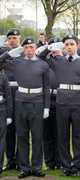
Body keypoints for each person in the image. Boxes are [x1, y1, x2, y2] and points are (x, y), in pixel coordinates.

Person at [39, 34, 80, 177]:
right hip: (62, 102)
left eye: (71, 44)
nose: (69, 47)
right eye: (66, 45)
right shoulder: (58, 61)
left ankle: (77, 166)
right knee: (62, 135)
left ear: (77, 46)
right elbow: (41, 58)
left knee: (78, 135)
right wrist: (49, 48)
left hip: (78, 102)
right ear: (63, 47)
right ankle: (65, 165)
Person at [0, 37, 50, 178]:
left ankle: (37, 167)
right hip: (21, 101)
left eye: (31, 47)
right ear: (23, 49)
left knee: (37, 136)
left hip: (38, 102)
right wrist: (9, 54)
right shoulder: (17, 63)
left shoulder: (43, 65)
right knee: (22, 136)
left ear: (35, 48)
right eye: (26, 48)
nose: (29, 50)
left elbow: (46, 87)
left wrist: (46, 107)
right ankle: (24, 168)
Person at [2, 28, 22, 172]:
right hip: (8, 91)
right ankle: (10, 161)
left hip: (21, 92)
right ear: (7, 40)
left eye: (15, 38)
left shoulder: (25, 51)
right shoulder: (3, 51)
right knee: (9, 131)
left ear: (19, 38)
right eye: (10, 38)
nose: (13, 40)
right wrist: (7, 54)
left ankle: (21, 160)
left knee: (21, 129)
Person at [41, 37, 62, 171]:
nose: (54, 50)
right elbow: (41, 55)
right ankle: (49, 162)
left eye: (57, 47)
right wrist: (48, 48)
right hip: (47, 101)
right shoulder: (45, 62)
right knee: (47, 134)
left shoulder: (65, 61)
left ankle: (60, 161)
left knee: (60, 134)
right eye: (52, 48)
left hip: (60, 101)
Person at [0, 66, 12, 176]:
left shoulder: (3, 77)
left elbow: (8, 96)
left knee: (1, 139)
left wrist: (9, 114)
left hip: (1, 109)